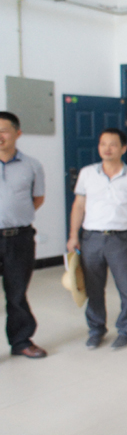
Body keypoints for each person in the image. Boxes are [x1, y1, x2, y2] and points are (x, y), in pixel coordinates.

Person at [67, 128, 127, 350]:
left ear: (123, 148)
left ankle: (126, 330)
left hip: (120, 239)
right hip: (91, 238)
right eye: (103, 144)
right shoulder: (87, 173)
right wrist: (73, 234)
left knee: (126, 288)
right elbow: (79, 205)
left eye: (112, 144)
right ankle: (96, 330)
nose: (107, 149)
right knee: (93, 288)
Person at [0, 111, 47, 359]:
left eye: (4, 130)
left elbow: (37, 199)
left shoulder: (32, 165)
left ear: (17, 133)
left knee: (17, 293)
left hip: (20, 238)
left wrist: (14, 217)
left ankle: (20, 342)